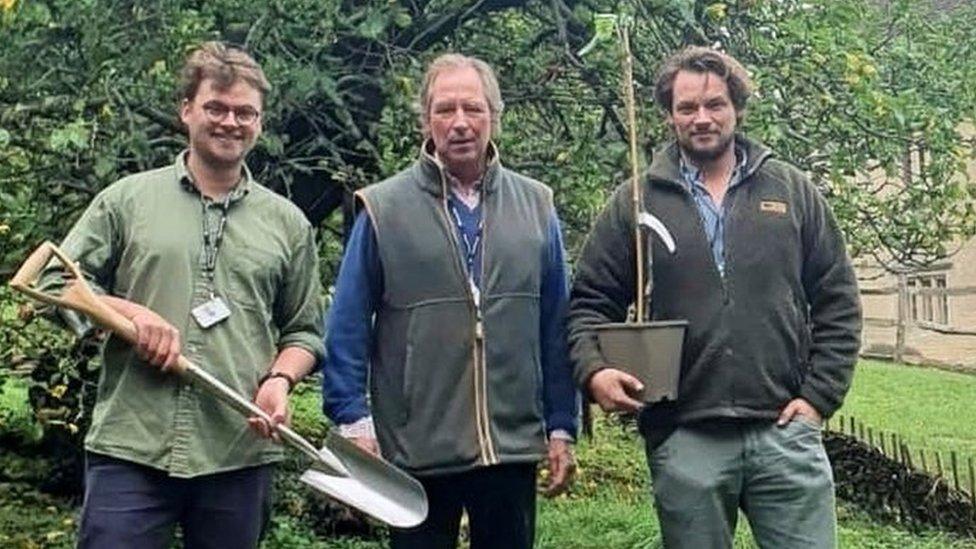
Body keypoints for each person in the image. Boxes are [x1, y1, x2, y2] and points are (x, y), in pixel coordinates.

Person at [567, 46, 862, 548]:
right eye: (687, 108)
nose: (701, 118)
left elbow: (838, 299)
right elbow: (587, 303)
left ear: (737, 108)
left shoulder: (791, 191)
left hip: (784, 432)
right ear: (669, 115)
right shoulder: (637, 201)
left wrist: (817, 399)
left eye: (715, 104)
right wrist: (595, 371)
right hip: (685, 438)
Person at [45, 41, 325, 548]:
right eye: (216, 107)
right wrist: (128, 312)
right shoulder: (126, 201)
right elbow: (50, 280)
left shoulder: (288, 224)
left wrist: (281, 380)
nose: (230, 122)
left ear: (260, 123)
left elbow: (304, 331)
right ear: (187, 110)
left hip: (238, 451)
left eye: (245, 112)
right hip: (132, 446)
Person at [322, 53, 579, 549]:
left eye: (473, 109)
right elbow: (349, 322)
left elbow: (555, 325)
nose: (460, 123)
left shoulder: (537, 205)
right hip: (416, 444)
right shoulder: (384, 207)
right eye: (445, 110)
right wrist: (353, 420)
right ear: (426, 120)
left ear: (493, 117)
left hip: (509, 444)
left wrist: (562, 424)